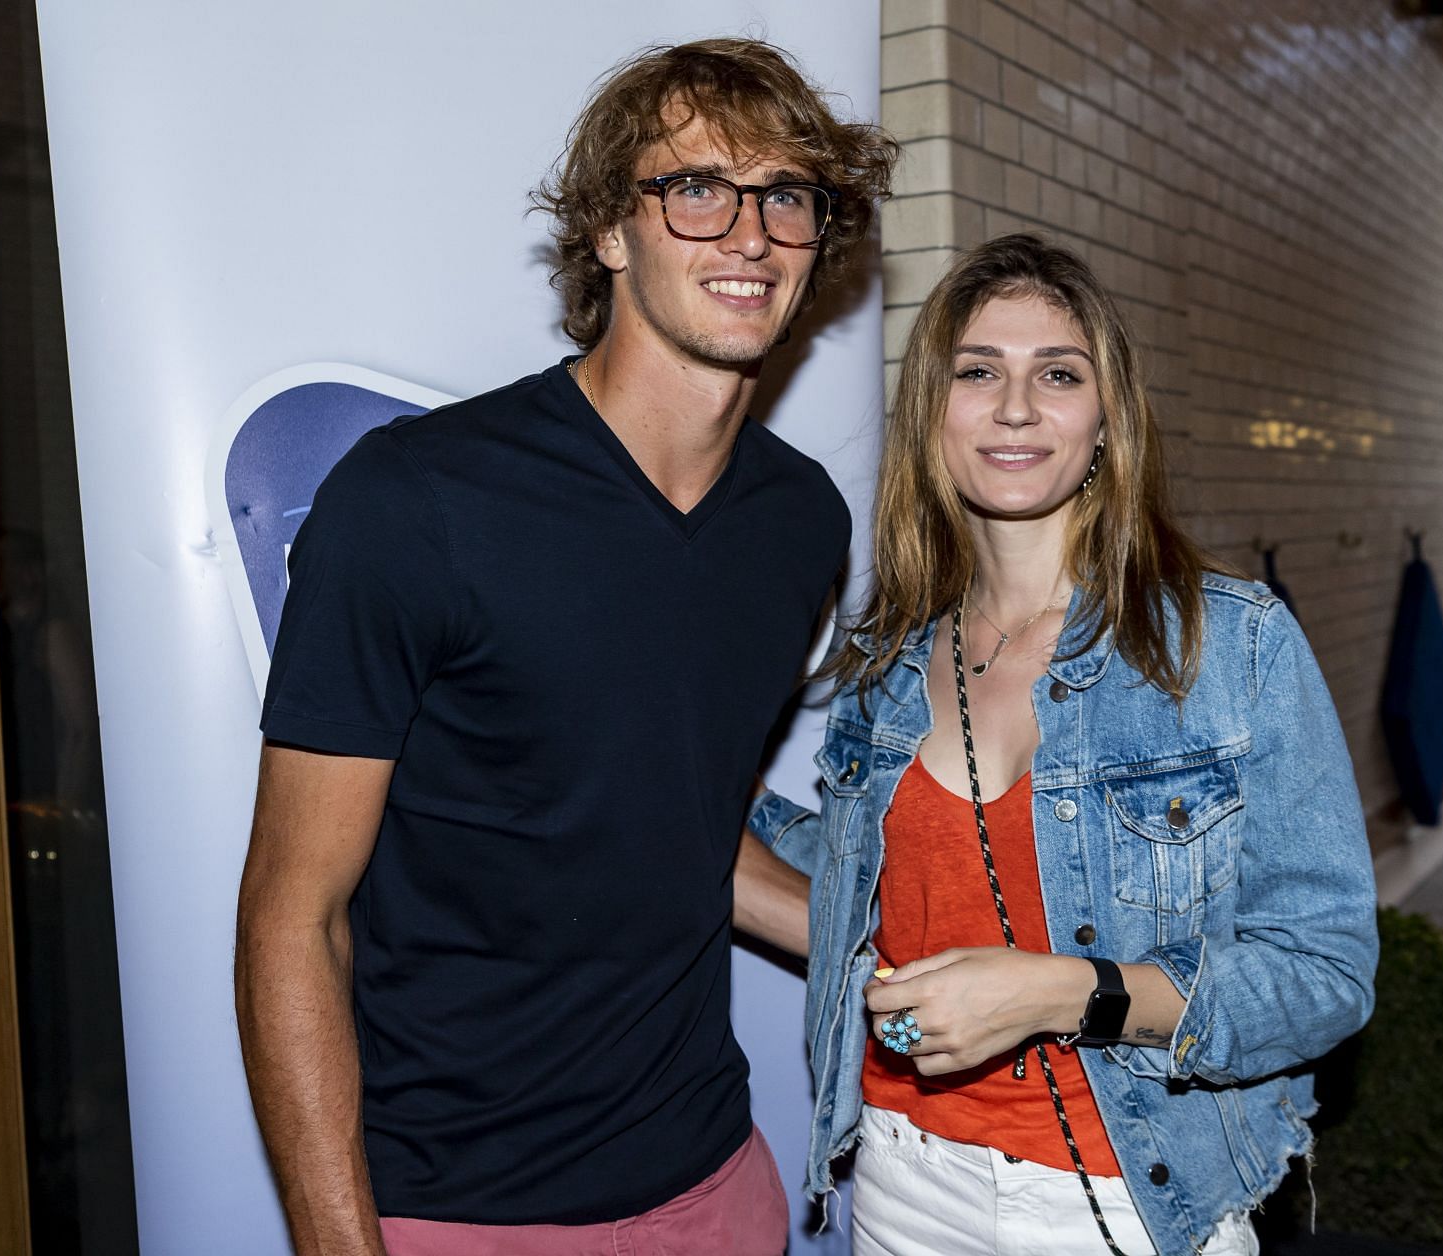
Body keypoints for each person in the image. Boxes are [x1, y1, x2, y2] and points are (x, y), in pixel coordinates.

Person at [233, 39, 895, 1256]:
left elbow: (679, 826)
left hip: (715, 1187)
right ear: (608, 231)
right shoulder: (417, 501)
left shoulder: (802, 523)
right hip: (454, 1209)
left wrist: (911, 944)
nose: (749, 233)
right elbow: (292, 916)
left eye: (786, 196)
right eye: (695, 188)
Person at [746, 235, 1379, 1256]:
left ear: (1104, 422)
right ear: (933, 418)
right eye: (978, 371)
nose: (1015, 406)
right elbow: (868, 881)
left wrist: (1063, 989)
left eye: (1057, 374)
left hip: (1133, 1198)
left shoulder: (1229, 644)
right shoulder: (890, 657)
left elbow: (1325, 972)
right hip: (907, 1177)